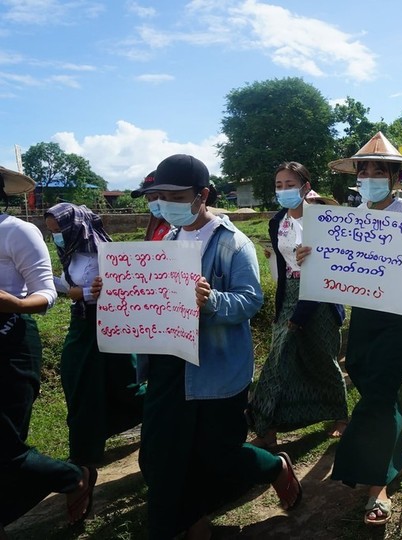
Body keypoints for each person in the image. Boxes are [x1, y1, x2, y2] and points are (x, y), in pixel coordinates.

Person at [134, 154, 302, 539]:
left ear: (202, 195)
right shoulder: (167, 240)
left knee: (217, 456)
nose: (166, 203)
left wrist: (210, 302)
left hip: (215, 371)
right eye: (160, 195)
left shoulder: (232, 244)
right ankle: (194, 525)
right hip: (168, 365)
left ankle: (273, 467)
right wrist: (112, 295)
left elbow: (251, 300)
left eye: (176, 195)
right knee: (161, 455)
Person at [306, 132, 402, 526]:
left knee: (381, 389)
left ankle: (374, 486)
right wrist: (310, 257)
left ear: (397, 178)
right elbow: (334, 265)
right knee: (371, 384)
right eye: (363, 171)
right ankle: (394, 458)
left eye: (377, 171)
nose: (368, 177)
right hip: (365, 315)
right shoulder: (350, 220)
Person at [0, 170, 97, 531]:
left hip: (11, 344)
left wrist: (14, 304)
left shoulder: (17, 232)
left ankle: (73, 477)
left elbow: (46, 294)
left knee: (6, 449)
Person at [247, 161, 349, 449]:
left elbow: (327, 268)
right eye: (279, 186)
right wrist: (283, 308)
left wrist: (302, 313)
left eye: (290, 185)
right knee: (278, 363)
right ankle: (267, 428)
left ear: (305, 187)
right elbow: (281, 269)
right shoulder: (277, 222)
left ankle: (340, 415)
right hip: (290, 294)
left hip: (320, 297)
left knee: (323, 358)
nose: (284, 191)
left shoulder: (323, 221)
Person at [43, 203, 145, 469]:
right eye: (52, 231)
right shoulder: (71, 250)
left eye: (58, 230)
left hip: (109, 323)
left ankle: (158, 413)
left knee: (122, 384)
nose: (56, 235)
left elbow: (122, 289)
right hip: (83, 324)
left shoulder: (104, 254)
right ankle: (85, 451)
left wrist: (82, 293)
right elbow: (71, 285)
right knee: (80, 382)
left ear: (75, 226)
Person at [131, 170, 171, 241]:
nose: (152, 203)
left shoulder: (180, 230)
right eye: (148, 199)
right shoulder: (156, 227)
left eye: (156, 197)